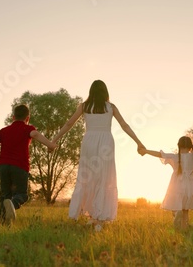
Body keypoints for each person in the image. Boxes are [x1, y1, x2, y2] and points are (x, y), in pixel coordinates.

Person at [52, 80, 145, 231]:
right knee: (103, 178)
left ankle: (93, 216)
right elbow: (124, 125)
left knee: (88, 177)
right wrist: (138, 142)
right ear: (105, 92)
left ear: (91, 91)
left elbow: (69, 124)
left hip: (89, 141)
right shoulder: (111, 107)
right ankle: (98, 218)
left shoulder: (85, 106)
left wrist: (54, 140)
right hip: (106, 143)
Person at [0, 104, 57, 226]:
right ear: (28, 118)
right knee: (22, 195)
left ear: (13, 117)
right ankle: (13, 205)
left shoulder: (4, 131)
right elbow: (35, 134)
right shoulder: (27, 128)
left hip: (4, 166)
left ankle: (4, 222)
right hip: (20, 166)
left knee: (5, 195)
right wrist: (50, 145)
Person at [138, 136, 193, 230]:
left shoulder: (175, 157)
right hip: (190, 186)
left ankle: (177, 214)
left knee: (176, 204)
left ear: (179, 146)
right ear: (190, 147)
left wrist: (146, 151)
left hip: (177, 185)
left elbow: (160, 154)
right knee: (186, 210)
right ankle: (184, 228)